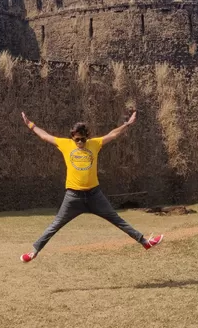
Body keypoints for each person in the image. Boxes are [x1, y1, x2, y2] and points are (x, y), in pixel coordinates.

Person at [19, 111, 163, 263]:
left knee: (117, 220)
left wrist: (127, 124)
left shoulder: (94, 144)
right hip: (73, 198)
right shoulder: (65, 144)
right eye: (77, 140)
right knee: (55, 225)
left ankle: (145, 242)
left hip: (95, 196)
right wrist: (30, 124)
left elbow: (113, 134)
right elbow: (44, 136)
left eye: (82, 139)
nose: (80, 143)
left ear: (87, 137)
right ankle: (34, 252)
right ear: (72, 137)